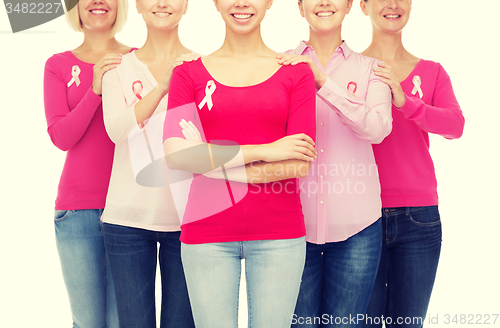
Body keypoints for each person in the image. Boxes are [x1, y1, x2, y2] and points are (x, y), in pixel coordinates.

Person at [162, 0, 317, 326]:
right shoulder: (187, 72)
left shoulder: (296, 71)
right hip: (206, 233)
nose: (242, 3)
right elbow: (177, 155)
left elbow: (298, 164)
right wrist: (267, 149)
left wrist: (209, 161)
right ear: (216, 3)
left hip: (280, 235)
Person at [277, 0, 392, 327]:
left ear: (349, 6)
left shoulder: (372, 69)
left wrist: (322, 82)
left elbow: (378, 128)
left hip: (358, 228)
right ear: (300, 7)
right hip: (291, 228)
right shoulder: (277, 66)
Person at [359, 0, 465, 327]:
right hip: (360, 217)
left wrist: (406, 102)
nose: (392, 5)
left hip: (419, 219)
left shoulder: (432, 71)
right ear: (362, 6)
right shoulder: (350, 68)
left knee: (407, 323)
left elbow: (455, 126)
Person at [100, 0, 197, 327]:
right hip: (126, 220)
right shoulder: (117, 68)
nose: (162, 3)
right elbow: (116, 130)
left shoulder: (202, 66)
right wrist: (163, 87)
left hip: (187, 221)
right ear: (138, 6)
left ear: (186, 6)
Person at [43, 0, 130, 326]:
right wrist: (94, 90)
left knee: (124, 321)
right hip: (77, 213)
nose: (98, 1)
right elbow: (61, 137)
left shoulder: (137, 59)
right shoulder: (58, 65)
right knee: (89, 322)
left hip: (129, 210)